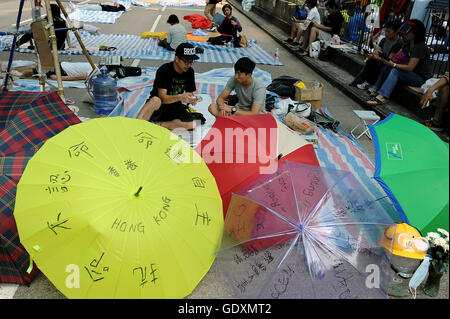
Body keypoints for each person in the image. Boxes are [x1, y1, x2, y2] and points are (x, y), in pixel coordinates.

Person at [366, 19, 432, 106]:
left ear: (415, 33)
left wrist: (393, 64)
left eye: (407, 32)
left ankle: (383, 96)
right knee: (387, 66)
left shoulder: (419, 47)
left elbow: (410, 67)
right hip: (409, 73)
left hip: (419, 78)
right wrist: (387, 60)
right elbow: (396, 57)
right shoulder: (407, 44)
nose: (404, 34)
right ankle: (377, 88)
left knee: (395, 70)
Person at [137, 43, 200, 130]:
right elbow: (163, 98)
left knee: (193, 124)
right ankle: (136, 125)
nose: (188, 65)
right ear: (176, 58)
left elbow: (189, 92)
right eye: (186, 61)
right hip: (160, 106)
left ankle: (159, 125)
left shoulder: (190, 72)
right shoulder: (164, 70)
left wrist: (190, 99)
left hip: (175, 107)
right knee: (155, 100)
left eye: (191, 62)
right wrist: (180, 97)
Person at [350, 19, 403, 88]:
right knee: (371, 61)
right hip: (381, 60)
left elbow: (390, 59)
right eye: (386, 31)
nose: (386, 33)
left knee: (374, 63)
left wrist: (376, 56)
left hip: (389, 63)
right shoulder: (384, 40)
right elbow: (377, 52)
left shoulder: (398, 43)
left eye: (389, 31)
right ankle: (360, 81)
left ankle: (368, 83)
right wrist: (373, 55)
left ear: (396, 32)